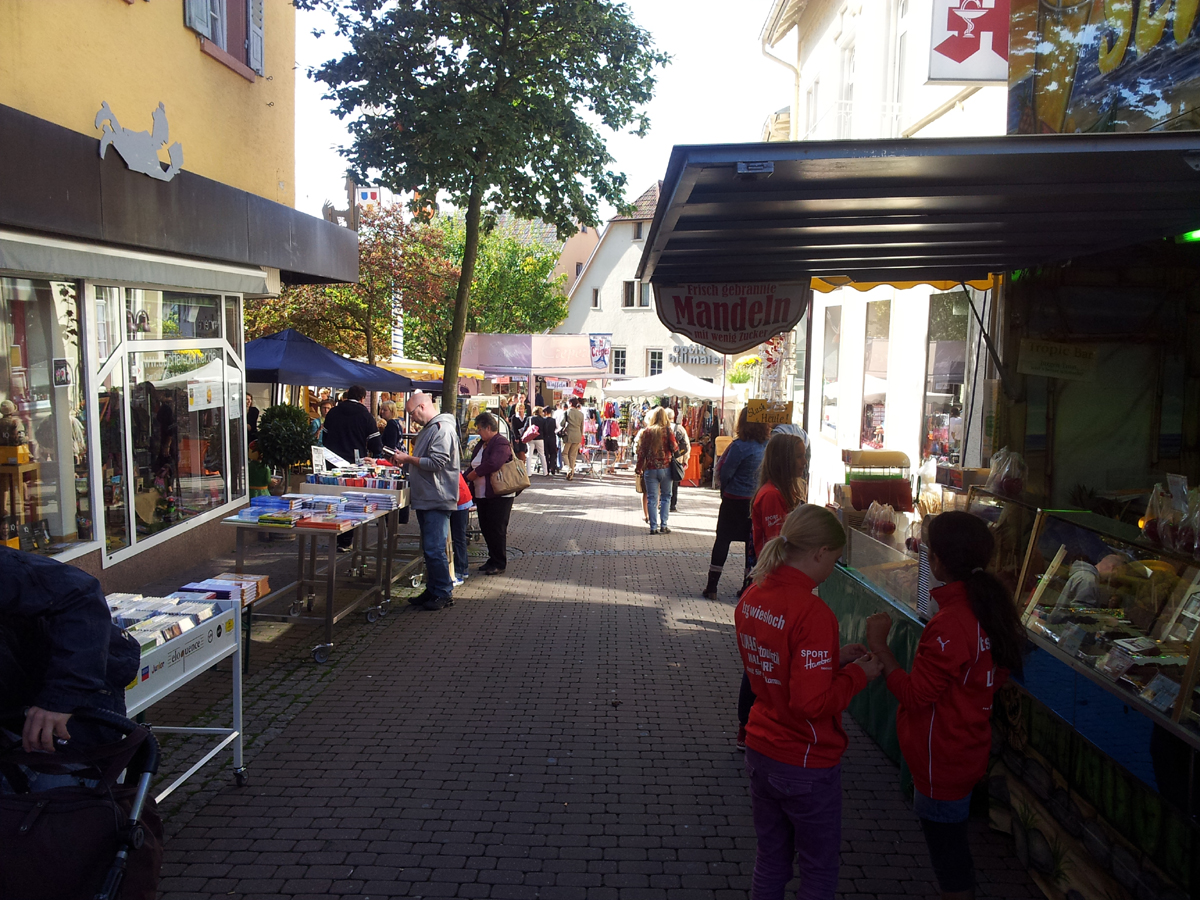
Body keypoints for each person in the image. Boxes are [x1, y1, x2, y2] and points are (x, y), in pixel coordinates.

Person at [865, 511, 1025, 900]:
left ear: (937, 562)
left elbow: (915, 695)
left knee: (949, 854)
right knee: (951, 846)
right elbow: (999, 670)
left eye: (928, 550)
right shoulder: (988, 608)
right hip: (966, 747)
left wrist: (881, 647)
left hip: (942, 757)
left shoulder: (953, 622)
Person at [736, 504, 882, 900]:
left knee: (770, 858)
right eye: (834, 560)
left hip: (761, 746)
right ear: (818, 553)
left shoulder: (753, 595)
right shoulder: (812, 612)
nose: (832, 570)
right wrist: (857, 675)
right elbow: (809, 702)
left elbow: (774, 664)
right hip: (804, 758)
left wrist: (833, 659)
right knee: (818, 868)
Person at [0, 547, 140, 763]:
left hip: (54, 714)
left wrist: (58, 700)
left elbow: (81, 595)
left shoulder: (9, 569)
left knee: (60, 787)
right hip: (20, 710)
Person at [733, 431, 811, 750]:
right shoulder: (772, 496)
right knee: (763, 660)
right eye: (798, 456)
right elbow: (779, 545)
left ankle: (754, 723)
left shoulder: (781, 492)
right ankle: (746, 725)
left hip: (774, 585)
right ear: (782, 460)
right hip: (772, 586)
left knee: (766, 659)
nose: (803, 462)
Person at [390, 392, 460, 610]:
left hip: (436, 498)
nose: (412, 419)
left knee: (435, 548)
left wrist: (408, 459)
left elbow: (436, 462)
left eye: (412, 413)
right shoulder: (433, 429)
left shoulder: (442, 429)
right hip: (428, 496)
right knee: (431, 548)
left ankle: (442, 592)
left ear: (422, 407)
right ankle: (434, 589)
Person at [703, 407, 769, 600]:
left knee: (722, 540)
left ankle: (712, 587)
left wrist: (725, 489)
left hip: (734, 500)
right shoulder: (767, 446)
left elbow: (725, 472)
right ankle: (747, 587)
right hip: (755, 501)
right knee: (752, 545)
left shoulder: (740, 446)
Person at [465, 412, 515, 575]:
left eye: (479, 429)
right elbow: (474, 464)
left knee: (497, 528)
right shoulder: (482, 443)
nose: (478, 432)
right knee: (486, 527)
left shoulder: (500, 442)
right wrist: (465, 476)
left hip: (499, 494)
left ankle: (499, 562)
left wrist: (475, 473)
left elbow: (494, 463)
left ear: (488, 427)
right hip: (482, 494)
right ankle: (492, 558)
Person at [636, 407, 677, 535]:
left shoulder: (646, 432)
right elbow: (675, 448)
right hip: (666, 468)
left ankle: (653, 527)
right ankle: (664, 525)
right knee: (666, 497)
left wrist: (638, 468)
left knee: (652, 498)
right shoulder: (668, 431)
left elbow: (641, 452)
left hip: (651, 469)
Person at [322, 384, 383, 464]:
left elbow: (325, 436)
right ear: (362, 399)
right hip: (355, 462)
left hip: (333, 460)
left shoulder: (332, 412)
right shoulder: (366, 416)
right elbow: (376, 443)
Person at [666, 408, 691, 513]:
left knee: (663, 483)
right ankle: (672, 505)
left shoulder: (661, 428)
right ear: (673, 417)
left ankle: (662, 504)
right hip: (677, 459)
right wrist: (686, 459)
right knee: (675, 483)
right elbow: (687, 445)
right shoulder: (680, 428)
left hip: (664, 459)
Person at [450, 472, 473, 587]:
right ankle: (462, 569)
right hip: (460, 498)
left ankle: (459, 571)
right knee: (459, 537)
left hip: (459, 499)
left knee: (458, 537)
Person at [562, 398, 585, 480]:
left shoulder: (566, 412)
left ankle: (568, 469)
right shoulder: (581, 414)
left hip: (569, 435)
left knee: (564, 453)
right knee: (572, 456)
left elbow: (562, 423)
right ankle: (571, 475)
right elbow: (582, 427)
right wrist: (581, 436)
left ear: (570, 403)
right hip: (577, 436)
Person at [534, 406, 558, 476]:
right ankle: (552, 466)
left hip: (544, 438)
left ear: (545, 412)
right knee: (553, 453)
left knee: (546, 453)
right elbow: (557, 428)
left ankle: (547, 468)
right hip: (552, 438)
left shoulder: (543, 420)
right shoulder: (553, 420)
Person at [525, 408, 548, 476]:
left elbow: (525, 427)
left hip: (531, 438)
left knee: (529, 455)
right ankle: (545, 472)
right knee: (542, 454)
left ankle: (528, 472)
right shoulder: (543, 420)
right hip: (540, 438)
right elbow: (545, 430)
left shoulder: (530, 419)